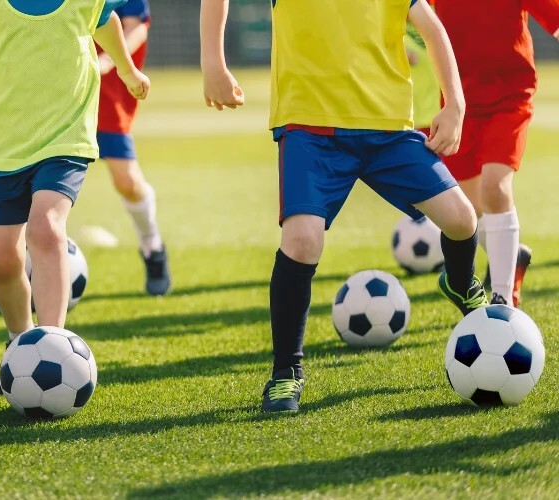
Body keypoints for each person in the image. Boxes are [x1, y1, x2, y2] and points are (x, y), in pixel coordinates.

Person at [201, 0, 486, 412]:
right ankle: (285, 373)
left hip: (388, 129)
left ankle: (460, 283)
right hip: (310, 130)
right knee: (301, 241)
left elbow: (433, 29)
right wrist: (213, 62)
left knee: (461, 219)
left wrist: (454, 103)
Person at [0, 0, 149, 390]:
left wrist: (126, 69)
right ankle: (20, 342)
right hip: (1, 144)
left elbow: (104, 19)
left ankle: (52, 344)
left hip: (66, 136)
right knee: (3, 260)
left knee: (45, 227)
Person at [433, 0, 559, 308]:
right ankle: (511, 256)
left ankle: (504, 301)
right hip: (459, 105)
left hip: (510, 95)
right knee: (465, 212)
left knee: (495, 187)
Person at [94, 0, 170, 296]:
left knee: (127, 182)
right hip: (53, 92)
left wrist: (107, 60)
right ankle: (19, 271)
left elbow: (136, 28)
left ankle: (152, 246)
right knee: (36, 184)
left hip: (106, 94)